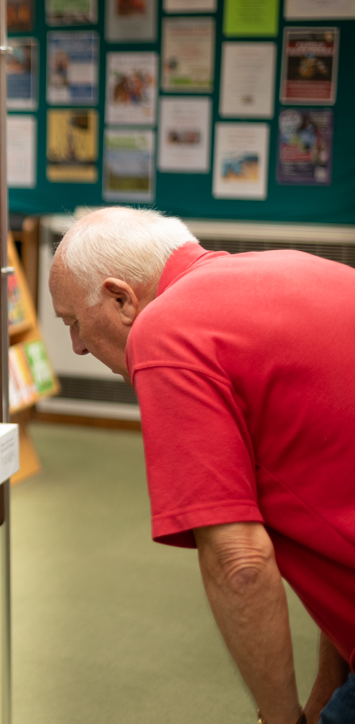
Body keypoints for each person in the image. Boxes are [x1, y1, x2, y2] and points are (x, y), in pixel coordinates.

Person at [48, 207, 355, 724]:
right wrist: (330, 679)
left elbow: (239, 564)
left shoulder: (166, 332)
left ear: (122, 298)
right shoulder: (303, 270)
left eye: (74, 322)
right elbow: (333, 485)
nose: (76, 346)